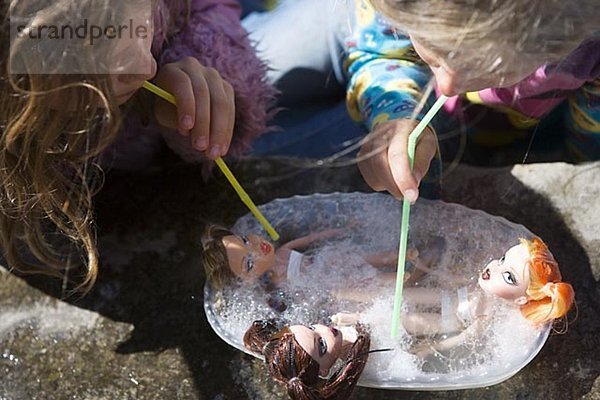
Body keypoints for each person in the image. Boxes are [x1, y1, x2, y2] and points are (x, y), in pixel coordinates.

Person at [0, 0, 277, 291]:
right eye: (104, 51)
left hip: (180, 145)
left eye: (144, 26)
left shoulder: (145, 58)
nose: (147, 67)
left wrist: (195, 67)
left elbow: (208, 5)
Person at [365, 0, 600, 195]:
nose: (447, 87)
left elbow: (588, 149)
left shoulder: (588, 46)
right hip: (439, 116)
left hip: (537, 130)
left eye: (496, 70)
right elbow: (381, 51)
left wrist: (574, 169)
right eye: (432, 46)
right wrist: (398, 114)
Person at [332, 237, 575, 357]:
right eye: (502, 260)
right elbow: (455, 280)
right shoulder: (483, 284)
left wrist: (433, 346)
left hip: (450, 321)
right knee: (402, 295)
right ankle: (347, 293)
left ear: (522, 299)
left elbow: (468, 335)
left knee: (408, 320)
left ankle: (358, 318)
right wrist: (429, 270)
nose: (495, 267)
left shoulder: (493, 313)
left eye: (509, 277)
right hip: (448, 297)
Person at [201, 224, 441, 290]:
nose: (255, 246)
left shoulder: (283, 250)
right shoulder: (277, 283)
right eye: (249, 262)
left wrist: (343, 230)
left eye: (244, 239)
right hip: (332, 282)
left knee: (374, 257)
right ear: (248, 278)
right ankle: (410, 277)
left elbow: (310, 239)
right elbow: (309, 296)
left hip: (329, 260)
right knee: (378, 282)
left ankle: (407, 258)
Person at [243, 318, 371, 399]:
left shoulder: (336, 327)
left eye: (311, 327)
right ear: (323, 371)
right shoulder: (360, 352)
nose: (325, 329)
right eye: (322, 344)